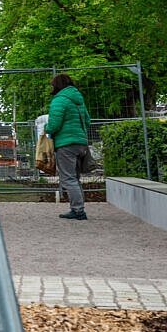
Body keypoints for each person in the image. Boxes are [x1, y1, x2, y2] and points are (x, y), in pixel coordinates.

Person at [46, 73, 94, 221]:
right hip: (81, 143)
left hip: (66, 144)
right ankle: (77, 208)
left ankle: (78, 211)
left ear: (57, 85)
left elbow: (54, 124)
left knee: (68, 178)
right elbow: (87, 120)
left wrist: (46, 128)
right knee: (75, 178)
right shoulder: (78, 100)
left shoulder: (59, 100)